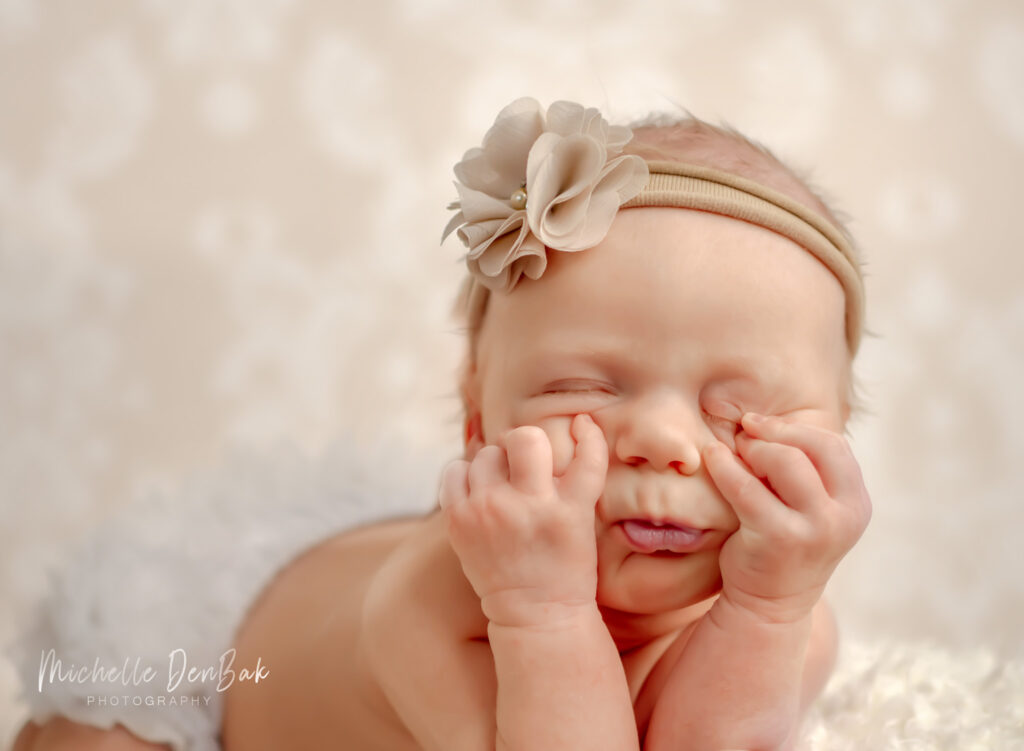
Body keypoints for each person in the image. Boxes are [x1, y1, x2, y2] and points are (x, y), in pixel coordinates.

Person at [12, 97, 871, 751]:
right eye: (581, 386)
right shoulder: (435, 608)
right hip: (219, 643)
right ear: (477, 420)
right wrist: (541, 608)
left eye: (739, 409)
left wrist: (764, 611)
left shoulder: (791, 619)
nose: (663, 441)